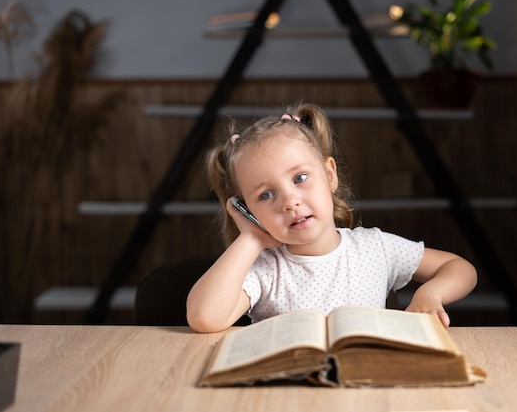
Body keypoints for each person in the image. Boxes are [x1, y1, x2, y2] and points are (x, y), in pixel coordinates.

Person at [186, 103, 477, 333]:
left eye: (300, 178)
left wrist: (431, 294)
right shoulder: (265, 270)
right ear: (246, 210)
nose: (290, 201)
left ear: (329, 175)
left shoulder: (376, 248)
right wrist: (250, 238)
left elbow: (459, 268)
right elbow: (204, 318)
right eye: (265, 196)